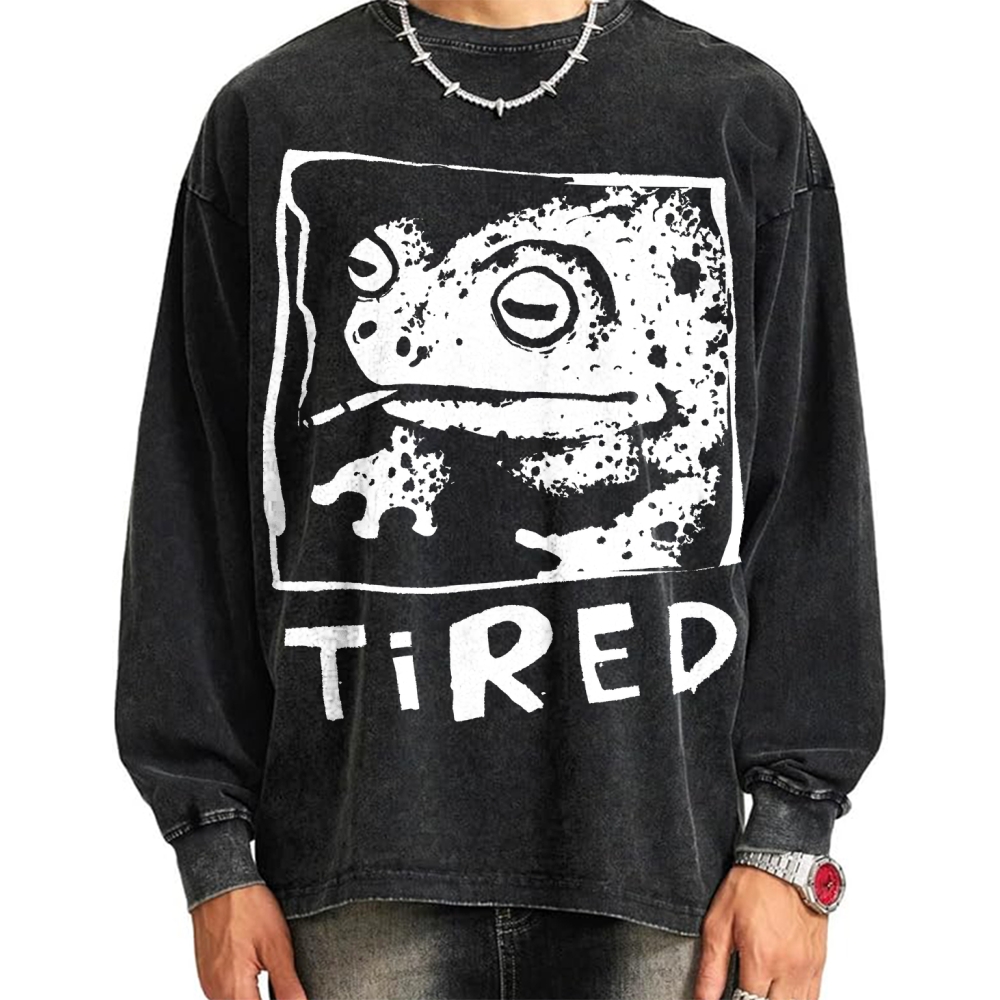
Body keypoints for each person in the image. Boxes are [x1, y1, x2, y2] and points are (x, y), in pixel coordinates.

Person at [114, 1, 885, 998]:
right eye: (369, 281)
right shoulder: (274, 112)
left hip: (661, 869)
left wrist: (791, 840)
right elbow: (193, 498)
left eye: (529, 307)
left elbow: (812, 493)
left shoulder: (735, 114)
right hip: (355, 867)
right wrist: (211, 848)